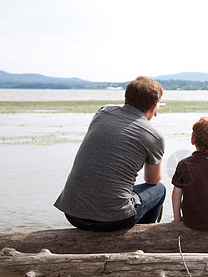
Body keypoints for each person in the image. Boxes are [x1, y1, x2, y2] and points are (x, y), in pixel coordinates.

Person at [54, 76, 166, 231]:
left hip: (73, 213)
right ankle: (142, 237)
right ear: (154, 107)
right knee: (160, 190)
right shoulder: (154, 136)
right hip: (113, 219)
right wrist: (152, 111)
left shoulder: (102, 112)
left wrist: (148, 106)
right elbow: (152, 180)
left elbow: (125, 110)